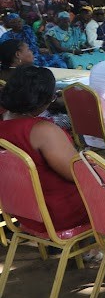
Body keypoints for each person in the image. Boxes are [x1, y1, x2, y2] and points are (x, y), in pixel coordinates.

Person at [0, 67, 89, 230]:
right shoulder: (42, 131)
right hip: (60, 213)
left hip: (24, 213)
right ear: (42, 100)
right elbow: (77, 174)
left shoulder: (5, 126)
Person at [0, 12, 66, 68]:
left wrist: (38, 50)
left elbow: (33, 44)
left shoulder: (26, 29)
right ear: (10, 24)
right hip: (22, 59)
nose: (18, 24)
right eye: (14, 22)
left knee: (57, 58)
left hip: (34, 54)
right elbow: (8, 54)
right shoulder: (6, 36)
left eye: (19, 21)